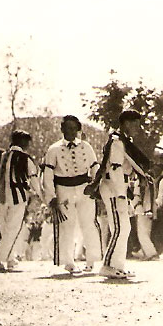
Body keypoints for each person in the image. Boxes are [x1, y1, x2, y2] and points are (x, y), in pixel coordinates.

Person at [85, 110, 152, 279]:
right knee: (118, 228)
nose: (137, 128)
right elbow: (115, 168)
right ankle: (107, 265)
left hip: (119, 187)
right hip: (114, 188)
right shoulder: (117, 142)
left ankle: (118, 266)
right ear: (126, 123)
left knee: (124, 228)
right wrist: (121, 193)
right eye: (135, 124)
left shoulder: (123, 141)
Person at [42, 115, 101, 274]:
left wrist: (95, 186)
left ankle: (91, 260)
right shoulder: (54, 149)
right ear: (62, 129)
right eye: (68, 128)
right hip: (64, 190)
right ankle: (68, 262)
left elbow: (95, 167)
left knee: (89, 223)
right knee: (67, 226)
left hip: (84, 189)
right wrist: (51, 196)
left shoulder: (86, 147)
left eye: (75, 128)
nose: (72, 131)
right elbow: (48, 175)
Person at [0, 130, 41, 272]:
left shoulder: (3, 156)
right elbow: (33, 178)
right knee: (13, 229)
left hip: (1, 196)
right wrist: (40, 194)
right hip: (17, 196)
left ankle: (10, 258)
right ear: (21, 141)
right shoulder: (24, 157)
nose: (28, 144)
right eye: (26, 141)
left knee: (5, 228)